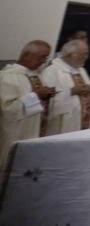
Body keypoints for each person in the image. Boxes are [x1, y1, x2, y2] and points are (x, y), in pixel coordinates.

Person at [1, 41, 56, 171]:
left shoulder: (36, 76)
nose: (44, 61)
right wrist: (36, 96)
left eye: (46, 57)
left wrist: (46, 96)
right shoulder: (8, 76)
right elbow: (7, 110)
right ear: (26, 55)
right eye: (42, 57)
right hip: (15, 135)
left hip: (33, 132)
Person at [41, 39, 90, 135]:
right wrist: (70, 92)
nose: (87, 57)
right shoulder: (52, 70)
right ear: (71, 55)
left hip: (82, 122)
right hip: (63, 126)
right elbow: (45, 100)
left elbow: (89, 89)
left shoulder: (81, 70)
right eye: (84, 54)